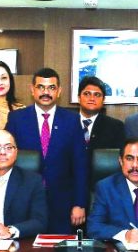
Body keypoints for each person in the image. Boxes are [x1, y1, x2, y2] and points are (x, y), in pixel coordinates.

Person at [5, 67, 88, 233]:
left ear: (59, 91)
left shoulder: (72, 120)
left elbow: (80, 165)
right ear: (32, 90)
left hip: (62, 203)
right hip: (24, 200)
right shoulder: (16, 119)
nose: (46, 92)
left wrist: (80, 204)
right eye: (41, 87)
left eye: (51, 88)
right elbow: (6, 160)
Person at [77, 75, 125, 152]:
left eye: (97, 95)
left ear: (103, 100)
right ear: (79, 98)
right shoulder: (66, 124)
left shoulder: (116, 127)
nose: (92, 98)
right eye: (87, 94)